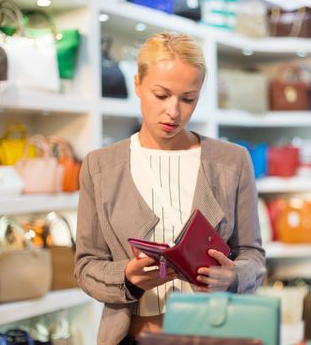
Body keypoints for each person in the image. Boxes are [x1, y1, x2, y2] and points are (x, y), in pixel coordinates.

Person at [74, 32, 266, 345]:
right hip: (135, 336)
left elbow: (253, 256)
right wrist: (127, 277)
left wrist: (232, 276)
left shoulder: (232, 162)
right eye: (161, 95)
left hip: (218, 335)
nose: (174, 112)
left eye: (188, 99)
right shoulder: (99, 167)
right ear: (137, 85)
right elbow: (86, 266)